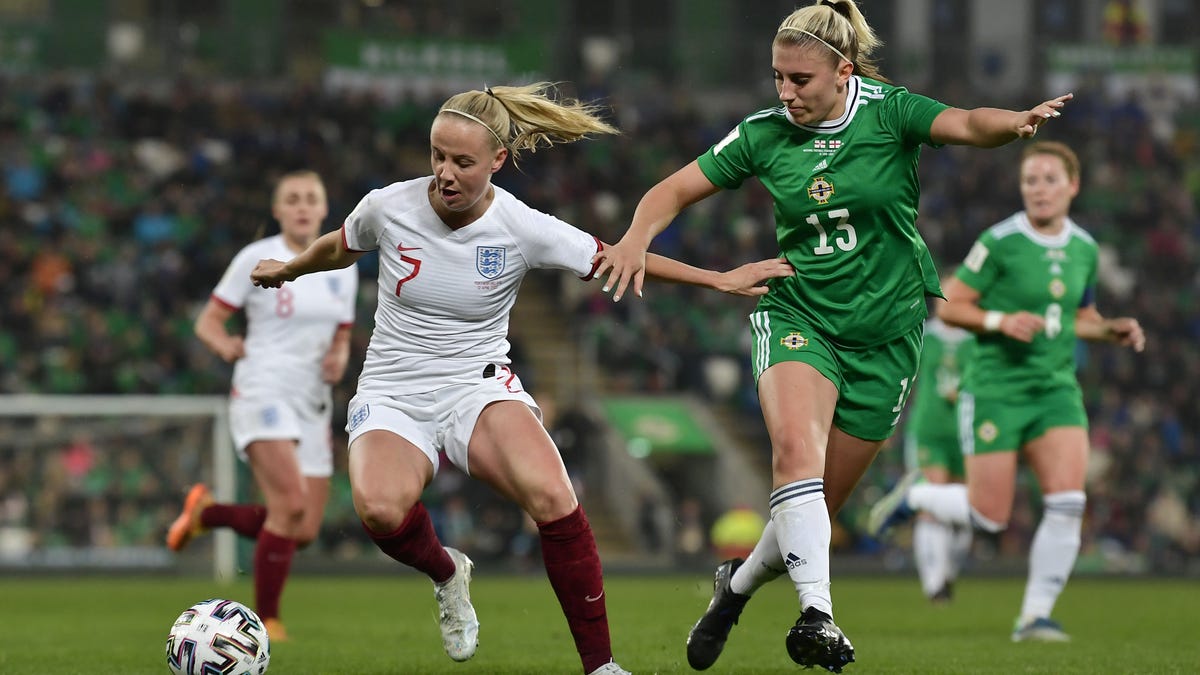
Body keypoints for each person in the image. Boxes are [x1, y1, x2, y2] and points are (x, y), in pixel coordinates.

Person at [590, 1, 1074, 670]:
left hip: (888, 335)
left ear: (843, 72)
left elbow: (965, 123)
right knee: (795, 452)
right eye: (777, 78)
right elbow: (671, 191)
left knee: (808, 512)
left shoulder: (889, 110)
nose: (786, 93)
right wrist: (637, 235)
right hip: (800, 316)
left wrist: (1015, 123)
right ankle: (818, 614)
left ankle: (735, 586)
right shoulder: (761, 133)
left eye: (800, 80)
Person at [249, 82, 794, 675]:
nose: (445, 174)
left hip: (476, 384)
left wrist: (718, 280)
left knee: (555, 499)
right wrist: (290, 269)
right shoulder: (389, 206)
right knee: (379, 511)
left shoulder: (522, 226)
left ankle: (601, 667)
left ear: (498, 161)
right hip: (392, 388)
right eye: (437, 156)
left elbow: (619, 259)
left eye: (462, 162)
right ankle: (446, 572)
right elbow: (340, 245)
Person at [868, 141, 1145, 641]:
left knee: (1067, 503)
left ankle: (1034, 616)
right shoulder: (999, 241)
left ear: (1073, 186)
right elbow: (952, 308)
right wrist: (998, 319)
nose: (1038, 190)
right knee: (989, 517)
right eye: (1030, 181)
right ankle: (918, 496)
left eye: (1049, 180)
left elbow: (1079, 319)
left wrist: (1111, 330)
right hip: (996, 388)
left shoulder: (1084, 247)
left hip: (1056, 390)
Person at [167, 170, 359, 642]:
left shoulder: (342, 264)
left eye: (310, 198)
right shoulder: (255, 257)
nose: (301, 206)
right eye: (291, 199)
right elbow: (208, 321)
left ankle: (206, 515)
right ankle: (266, 622)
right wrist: (225, 346)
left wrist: (339, 354)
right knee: (289, 505)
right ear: (277, 210)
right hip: (263, 388)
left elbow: (342, 329)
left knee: (305, 528)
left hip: (311, 400)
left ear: (322, 208)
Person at [898, 291, 975, 604]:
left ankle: (947, 574)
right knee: (934, 505)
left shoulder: (978, 340)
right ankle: (934, 584)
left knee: (965, 512)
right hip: (930, 430)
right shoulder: (924, 334)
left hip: (968, 434)